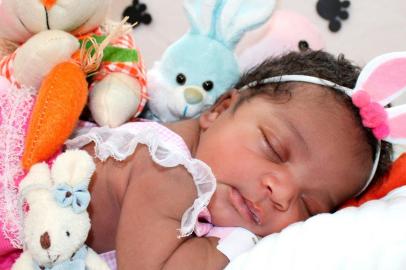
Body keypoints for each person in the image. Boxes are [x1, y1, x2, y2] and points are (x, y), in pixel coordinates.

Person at [66, 50, 393, 270]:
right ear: (220, 109)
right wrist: (237, 244)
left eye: (308, 205)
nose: (280, 193)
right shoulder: (167, 168)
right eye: (274, 148)